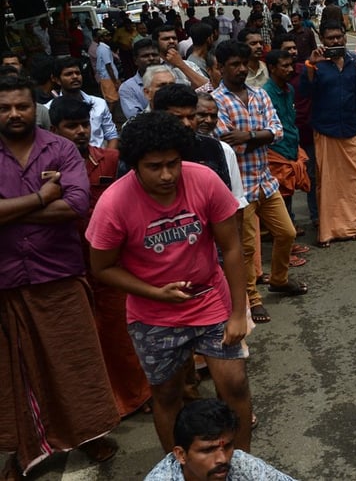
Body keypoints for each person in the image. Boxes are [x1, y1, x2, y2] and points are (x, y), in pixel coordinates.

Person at [87, 111, 253, 453]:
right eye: (154, 166)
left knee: (234, 385)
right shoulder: (114, 204)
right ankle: (179, 468)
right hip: (152, 315)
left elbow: (232, 247)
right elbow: (102, 268)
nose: (167, 175)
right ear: (134, 165)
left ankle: (240, 464)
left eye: (173, 163)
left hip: (210, 299)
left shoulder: (204, 180)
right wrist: (155, 292)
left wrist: (238, 313)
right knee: (166, 395)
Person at [0, 75, 120, 477]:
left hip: (59, 273)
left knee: (76, 361)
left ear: (36, 108)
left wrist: (9, 209)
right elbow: (55, 201)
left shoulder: (61, 148)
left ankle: (89, 435)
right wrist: (39, 197)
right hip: (6, 280)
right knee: (14, 373)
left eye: (21, 106)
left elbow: (75, 205)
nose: (14, 114)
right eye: (5, 107)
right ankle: (22, 452)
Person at [49, 97, 152, 418]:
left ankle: (135, 396)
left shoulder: (109, 161)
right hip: (65, 265)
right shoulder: (46, 172)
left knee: (119, 332)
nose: (80, 132)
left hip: (110, 264)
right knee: (80, 340)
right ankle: (96, 405)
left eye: (84, 124)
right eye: (71, 126)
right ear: (54, 130)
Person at [212, 41, 305, 326]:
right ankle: (252, 299)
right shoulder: (215, 101)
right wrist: (257, 136)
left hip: (265, 180)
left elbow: (276, 132)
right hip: (239, 189)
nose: (241, 69)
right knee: (248, 247)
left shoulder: (258, 94)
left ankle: (278, 279)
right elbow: (228, 143)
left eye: (243, 63)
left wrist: (249, 136)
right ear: (221, 67)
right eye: (234, 64)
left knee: (287, 232)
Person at [303, 21, 356, 245]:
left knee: (355, 178)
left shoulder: (353, 63)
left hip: (350, 129)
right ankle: (329, 231)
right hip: (326, 129)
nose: (336, 42)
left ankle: (351, 227)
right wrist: (311, 66)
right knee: (328, 182)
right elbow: (305, 92)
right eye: (330, 38)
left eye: (339, 37)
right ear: (323, 40)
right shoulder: (317, 65)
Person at [145, 399, 295, 481]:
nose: (222, 459)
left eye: (228, 446)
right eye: (207, 450)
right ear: (181, 455)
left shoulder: (242, 464)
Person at [262, 49, 311, 241]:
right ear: (272, 68)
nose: (290, 69)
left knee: (287, 196)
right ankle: (282, 243)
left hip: (290, 147)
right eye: (285, 66)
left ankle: (287, 240)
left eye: (291, 65)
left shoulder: (289, 89)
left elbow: (290, 120)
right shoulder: (265, 93)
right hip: (276, 152)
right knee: (278, 200)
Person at [46, 56, 118, 149]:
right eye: (68, 74)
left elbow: (112, 135)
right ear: (56, 79)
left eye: (78, 73)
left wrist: (106, 160)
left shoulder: (99, 103)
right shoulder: (48, 109)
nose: (75, 77)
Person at [120, 38, 167, 119]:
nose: (151, 58)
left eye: (155, 55)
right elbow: (135, 118)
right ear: (135, 60)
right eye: (145, 56)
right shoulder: (128, 88)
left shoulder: (170, 78)